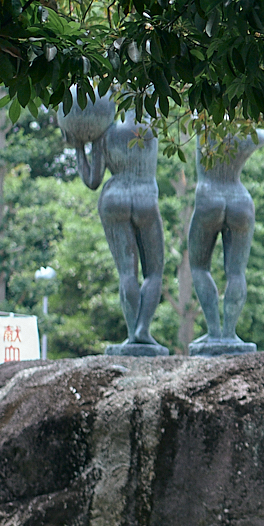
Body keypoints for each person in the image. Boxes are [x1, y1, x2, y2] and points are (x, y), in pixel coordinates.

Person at [59, 95, 168, 355]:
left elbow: (93, 180)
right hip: (145, 197)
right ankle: (142, 330)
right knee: (153, 272)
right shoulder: (148, 127)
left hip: (114, 197)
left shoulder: (105, 132)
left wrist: (78, 148)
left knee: (127, 272)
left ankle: (133, 334)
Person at [187, 130, 264, 354]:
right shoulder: (248, 132)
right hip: (239, 198)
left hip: (208, 196)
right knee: (236, 272)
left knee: (199, 267)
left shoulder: (205, 122)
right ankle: (230, 333)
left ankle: (214, 332)